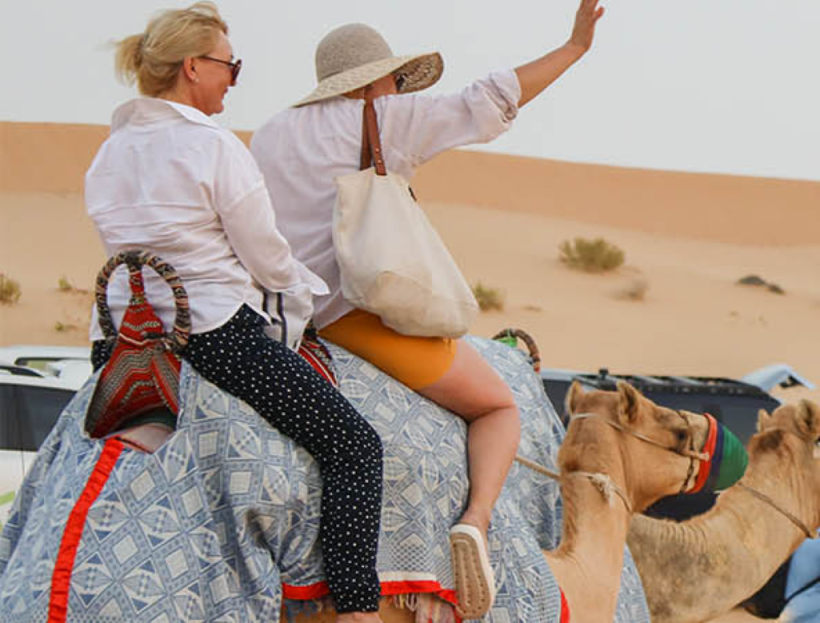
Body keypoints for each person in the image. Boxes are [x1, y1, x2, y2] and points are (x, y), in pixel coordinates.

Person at [249, 0, 603, 618]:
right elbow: (488, 100)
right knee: (498, 406)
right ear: (371, 84)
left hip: (279, 318)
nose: (396, 90)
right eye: (392, 79)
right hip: (351, 318)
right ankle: (477, 523)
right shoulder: (381, 117)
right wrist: (573, 50)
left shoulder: (271, 132)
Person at [86, 4, 383, 622]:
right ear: (192, 67)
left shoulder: (108, 153)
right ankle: (357, 608)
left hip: (116, 346)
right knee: (355, 446)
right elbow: (268, 258)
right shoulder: (212, 145)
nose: (232, 79)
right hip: (213, 339)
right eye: (230, 65)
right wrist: (305, 294)